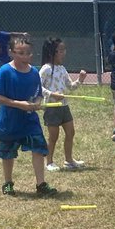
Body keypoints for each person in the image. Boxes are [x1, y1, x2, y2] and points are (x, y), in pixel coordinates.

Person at [0, 35, 57, 197]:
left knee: (38, 150)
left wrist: (37, 102)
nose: (25, 56)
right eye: (20, 53)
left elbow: (38, 94)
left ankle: (41, 184)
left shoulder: (34, 72)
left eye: (28, 53)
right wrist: (19, 104)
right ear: (11, 53)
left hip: (30, 121)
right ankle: (8, 183)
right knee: (7, 153)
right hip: (10, 121)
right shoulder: (5, 72)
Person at [39, 37, 88, 172]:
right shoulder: (46, 69)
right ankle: (49, 161)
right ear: (52, 52)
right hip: (51, 108)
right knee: (53, 136)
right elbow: (38, 87)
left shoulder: (62, 69)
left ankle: (69, 160)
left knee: (70, 132)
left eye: (64, 50)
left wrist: (80, 80)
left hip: (64, 106)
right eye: (61, 50)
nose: (64, 53)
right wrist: (51, 94)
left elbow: (70, 86)